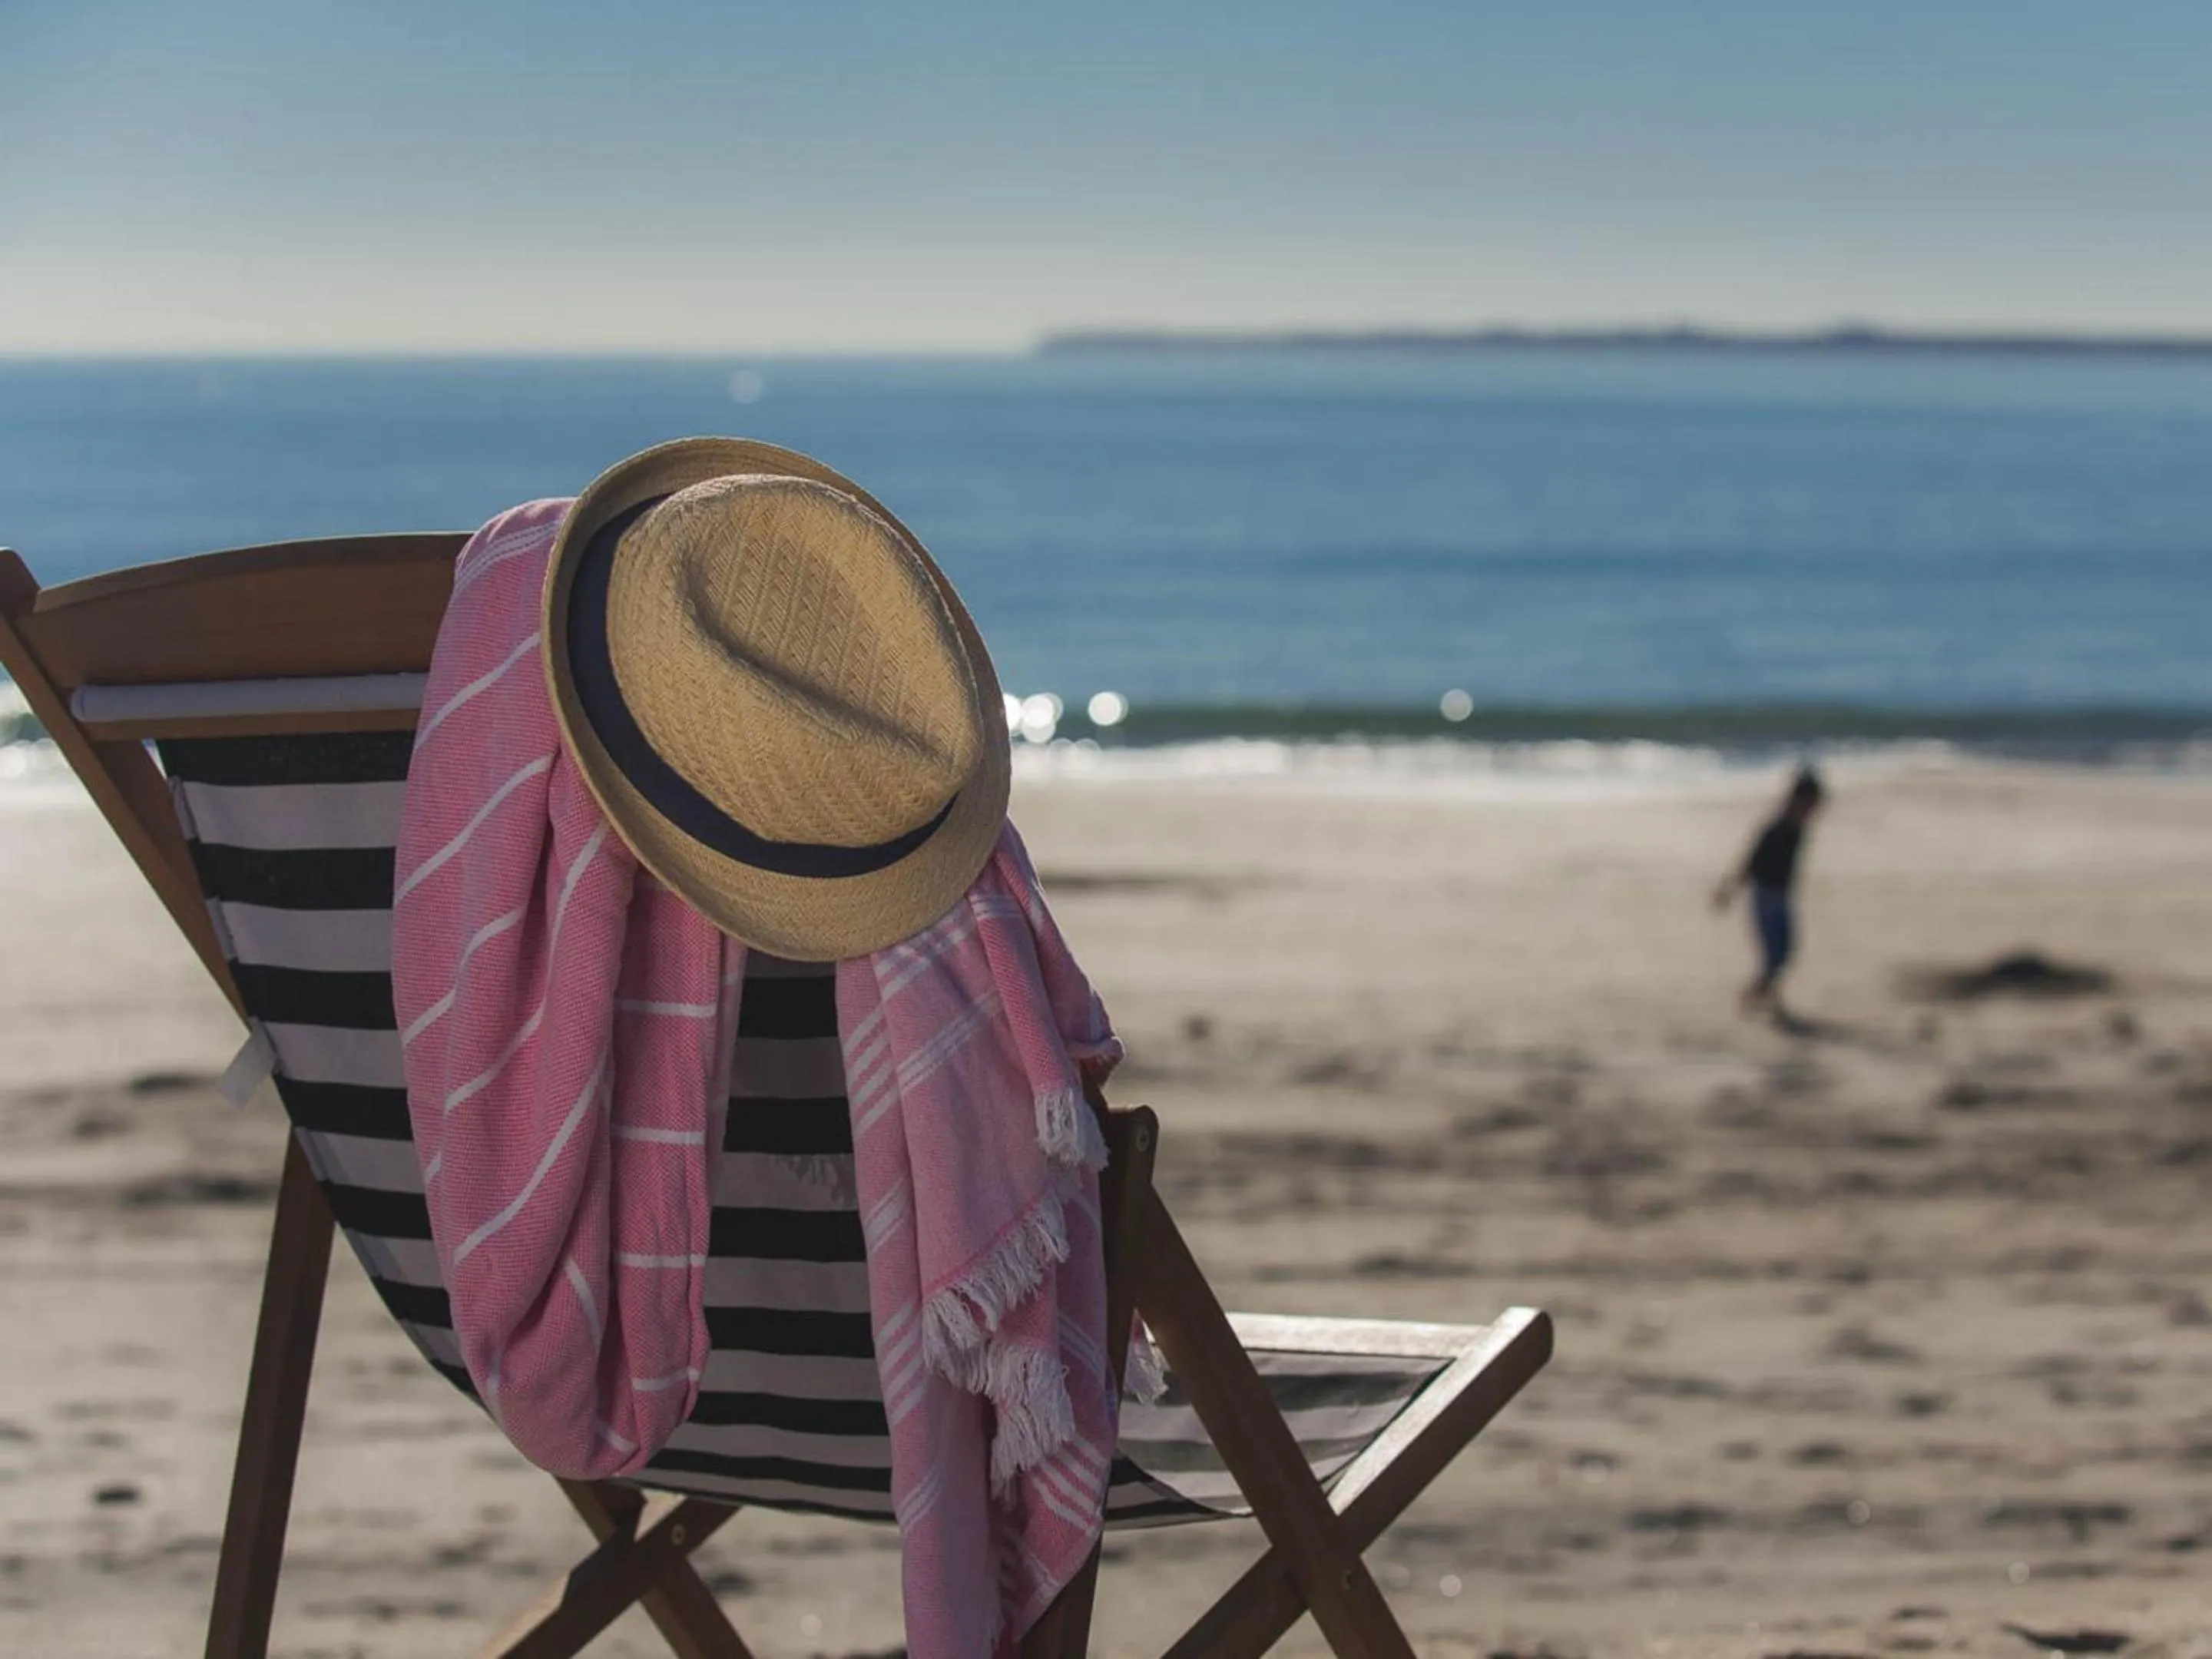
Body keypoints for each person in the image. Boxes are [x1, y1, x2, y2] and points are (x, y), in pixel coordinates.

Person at [1712, 766, 1824, 1018]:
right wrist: (1729, 890)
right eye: (1811, 806)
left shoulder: (1797, 830)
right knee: (1776, 954)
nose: (1813, 813)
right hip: (1765, 896)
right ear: (1798, 801)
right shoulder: (1776, 830)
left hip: (1782, 897)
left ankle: (1767, 997)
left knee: (1785, 951)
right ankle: (1753, 997)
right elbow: (1750, 861)